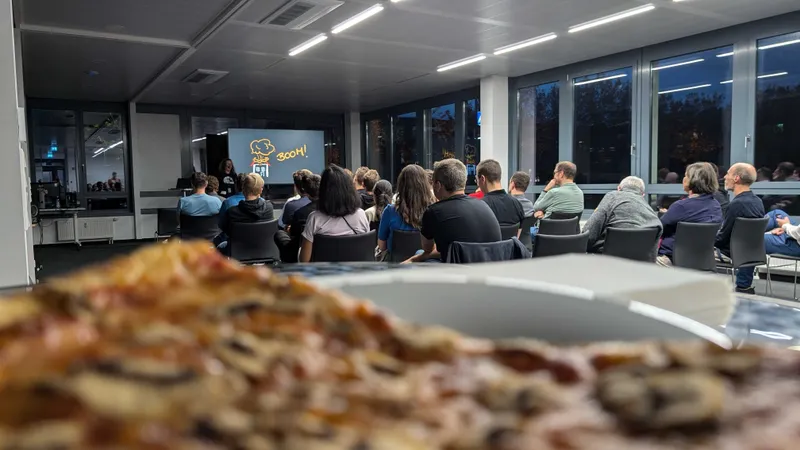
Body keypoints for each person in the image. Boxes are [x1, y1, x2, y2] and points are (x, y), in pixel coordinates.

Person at [406, 159, 501, 263]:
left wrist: (414, 259)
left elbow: (428, 249)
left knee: (420, 253)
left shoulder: (434, 212)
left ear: (438, 185)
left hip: (457, 270)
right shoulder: (484, 205)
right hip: (490, 267)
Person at [657, 162, 723, 267]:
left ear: (694, 180)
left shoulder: (681, 206)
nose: (683, 179)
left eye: (686, 176)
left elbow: (658, 229)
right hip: (701, 260)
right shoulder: (715, 205)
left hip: (671, 259)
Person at [299, 166, 370, 263]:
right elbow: (365, 250)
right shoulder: (361, 215)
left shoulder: (314, 219)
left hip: (323, 272)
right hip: (354, 271)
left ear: (323, 191)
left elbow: (304, 260)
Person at [582, 176, 662, 259]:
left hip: (605, 260)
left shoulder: (612, 196)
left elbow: (589, 233)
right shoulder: (652, 215)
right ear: (642, 195)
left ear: (619, 189)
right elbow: (652, 254)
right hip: (638, 263)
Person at [714, 163, 764, 294]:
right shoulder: (758, 201)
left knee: (690, 250)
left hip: (730, 253)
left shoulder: (736, 204)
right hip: (749, 254)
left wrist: (705, 240)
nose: (725, 177)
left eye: (728, 174)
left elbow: (722, 238)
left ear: (736, 178)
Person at [377, 165, 435, 260]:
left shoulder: (389, 211)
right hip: (424, 265)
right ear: (425, 186)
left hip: (395, 265)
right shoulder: (434, 212)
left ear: (400, 186)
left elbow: (382, 246)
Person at [218, 173, 274, 254]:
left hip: (237, 253)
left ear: (243, 189)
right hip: (264, 251)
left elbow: (224, 229)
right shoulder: (269, 208)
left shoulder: (232, 212)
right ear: (261, 190)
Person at [275, 174, 321, 264]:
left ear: (306, 192)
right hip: (321, 254)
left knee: (280, 234)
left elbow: (293, 234)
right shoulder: (330, 211)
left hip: (301, 252)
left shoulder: (301, 213)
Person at [477, 159, 525, 233]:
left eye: (477, 179)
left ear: (482, 179)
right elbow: (517, 236)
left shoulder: (480, 206)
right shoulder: (517, 204)